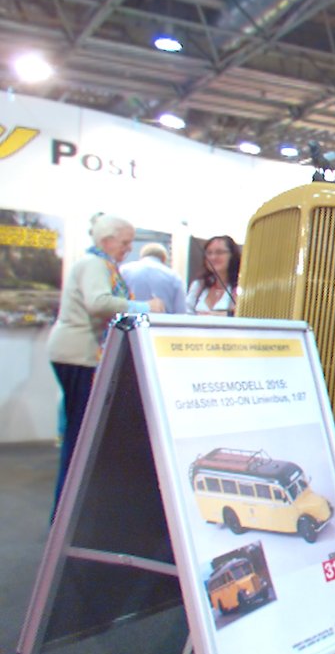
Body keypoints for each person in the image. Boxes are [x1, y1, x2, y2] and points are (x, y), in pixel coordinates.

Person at [47, 214, 165, 519]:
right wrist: (145, 307)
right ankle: (65, 514)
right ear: (107, 240)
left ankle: (68, 511)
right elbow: (98, 302)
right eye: (125, 243)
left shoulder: (99, 265)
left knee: (79, 433)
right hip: (79, 355)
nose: (128, 249)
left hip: (78, 353)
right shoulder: (95, 265)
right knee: (79, 436)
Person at [120, 242, 187, 314]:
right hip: (162, 320)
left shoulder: (124, 271)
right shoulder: (173, 276)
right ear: (164, 259)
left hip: (130, 318)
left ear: (141, 257)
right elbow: (180, 311)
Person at [187, 235, 240, 315]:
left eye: (219, 252)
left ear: (232, 255)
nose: (213, 257)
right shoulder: (199, 286)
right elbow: (186, 313)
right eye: (209, 253)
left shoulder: (241, 288)